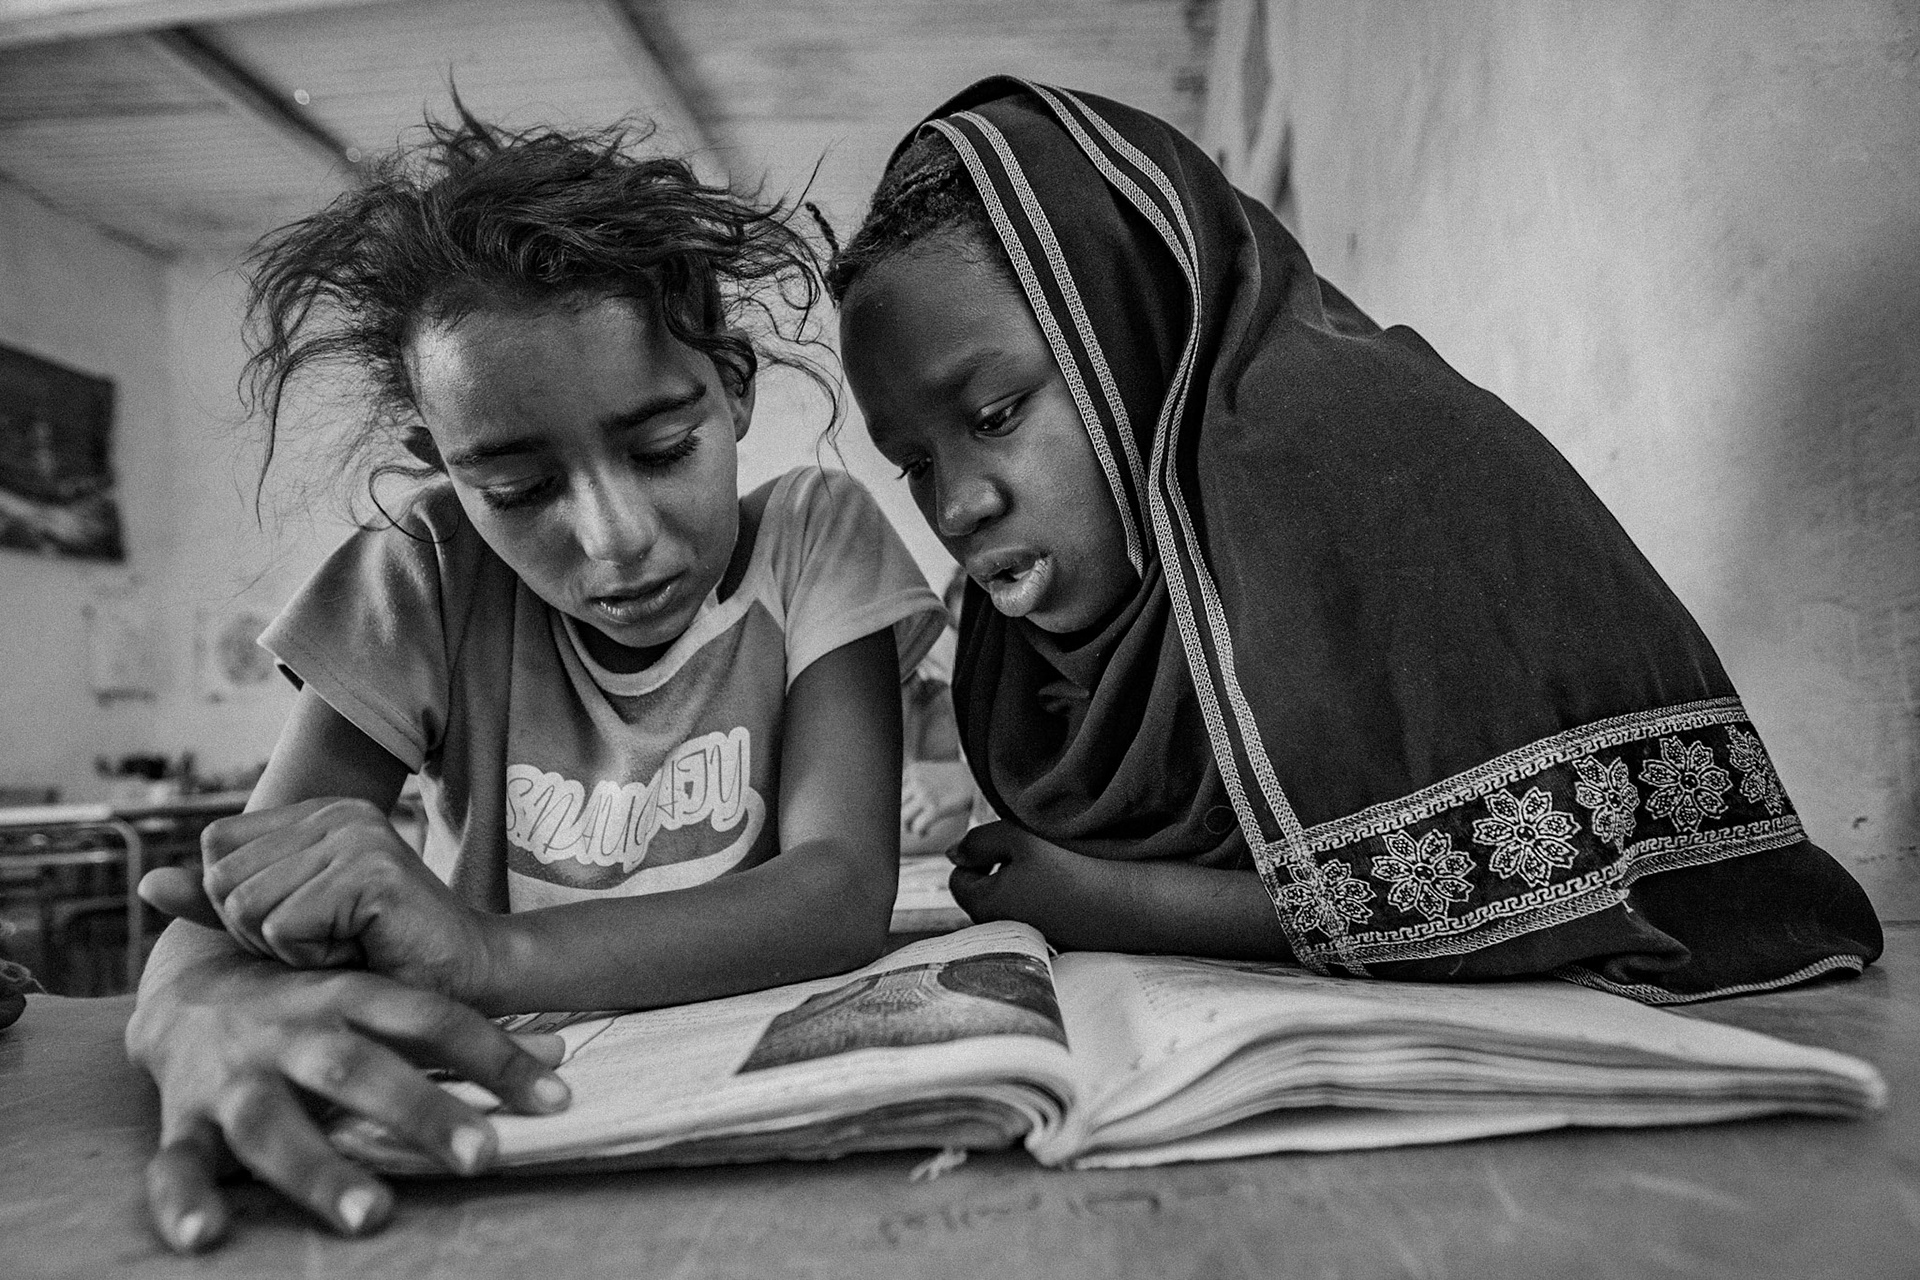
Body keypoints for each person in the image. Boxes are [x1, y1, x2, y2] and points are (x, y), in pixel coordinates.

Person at [828, 79, 1882, 997]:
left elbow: (1634, 885)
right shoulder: (1034, 678)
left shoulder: (1360, 455)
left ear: (1125, 332)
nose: (956, 504)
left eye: (998, 414)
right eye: (913, 461)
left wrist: (1135, 902)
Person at [128, 108, 943, 1253]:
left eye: (663, 449)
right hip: (508, 1160)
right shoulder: (422, 579)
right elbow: (242, 899)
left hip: (770, 1154)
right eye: (517, 488)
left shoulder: (817, 538)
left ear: (736, 390)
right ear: (443, 468)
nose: (615, 541)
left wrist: (485, 954)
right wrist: (184, 1005)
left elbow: (839, 885)